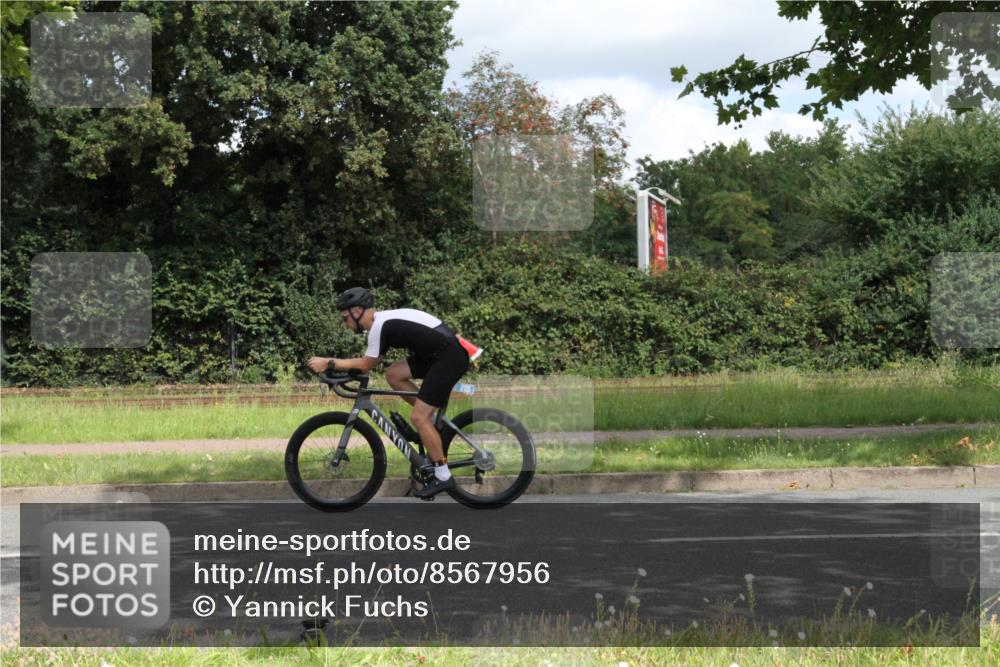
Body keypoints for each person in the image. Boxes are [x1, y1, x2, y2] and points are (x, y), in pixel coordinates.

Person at [306, 287, 473, 498]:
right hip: (438, 353)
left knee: (418, 417)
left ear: (357, 311)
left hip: (448, 356)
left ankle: (443, 475)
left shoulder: (379, 326)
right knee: (394, 374)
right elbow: (369, 364)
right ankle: (429, 424)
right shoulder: (382, 323)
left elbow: (365, 365)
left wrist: (329, 362)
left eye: (345, 318)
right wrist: (338, 368)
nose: (344, 324)